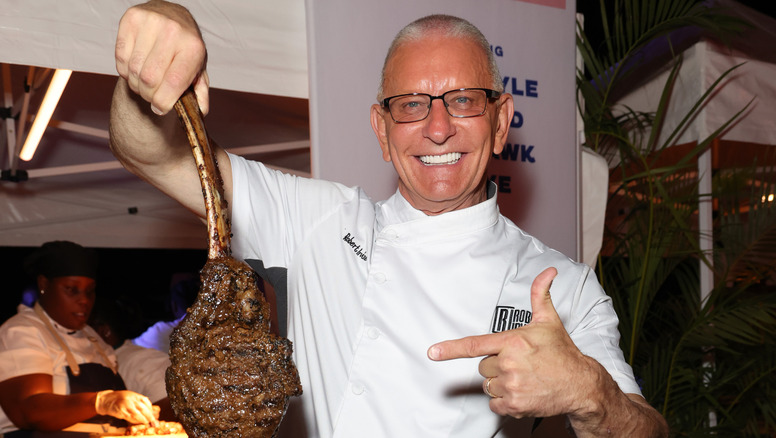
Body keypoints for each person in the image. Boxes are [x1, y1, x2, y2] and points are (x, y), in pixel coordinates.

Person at [109, 1, 669, 437]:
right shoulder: (316, 220)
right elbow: (152, 154)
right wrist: (157, 61)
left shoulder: (561, 285)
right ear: (381, 130)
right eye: (411, 105)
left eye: (465, 100)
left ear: (500, 122)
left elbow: (648, 428)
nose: (438, 128)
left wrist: (592, 393)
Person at [0, 241, 159, 437]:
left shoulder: (93, 338)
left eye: (90, 291)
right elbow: (28, 410)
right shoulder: (22, 330)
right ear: (43, 285)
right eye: (71, 289)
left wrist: (133, 410)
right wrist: (101, 402)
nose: (84, 300)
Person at [89, 296, 177, 423]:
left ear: (104, 331)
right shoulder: (98, 362)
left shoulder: (145, 360)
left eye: (86, 329)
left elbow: (176, 408)